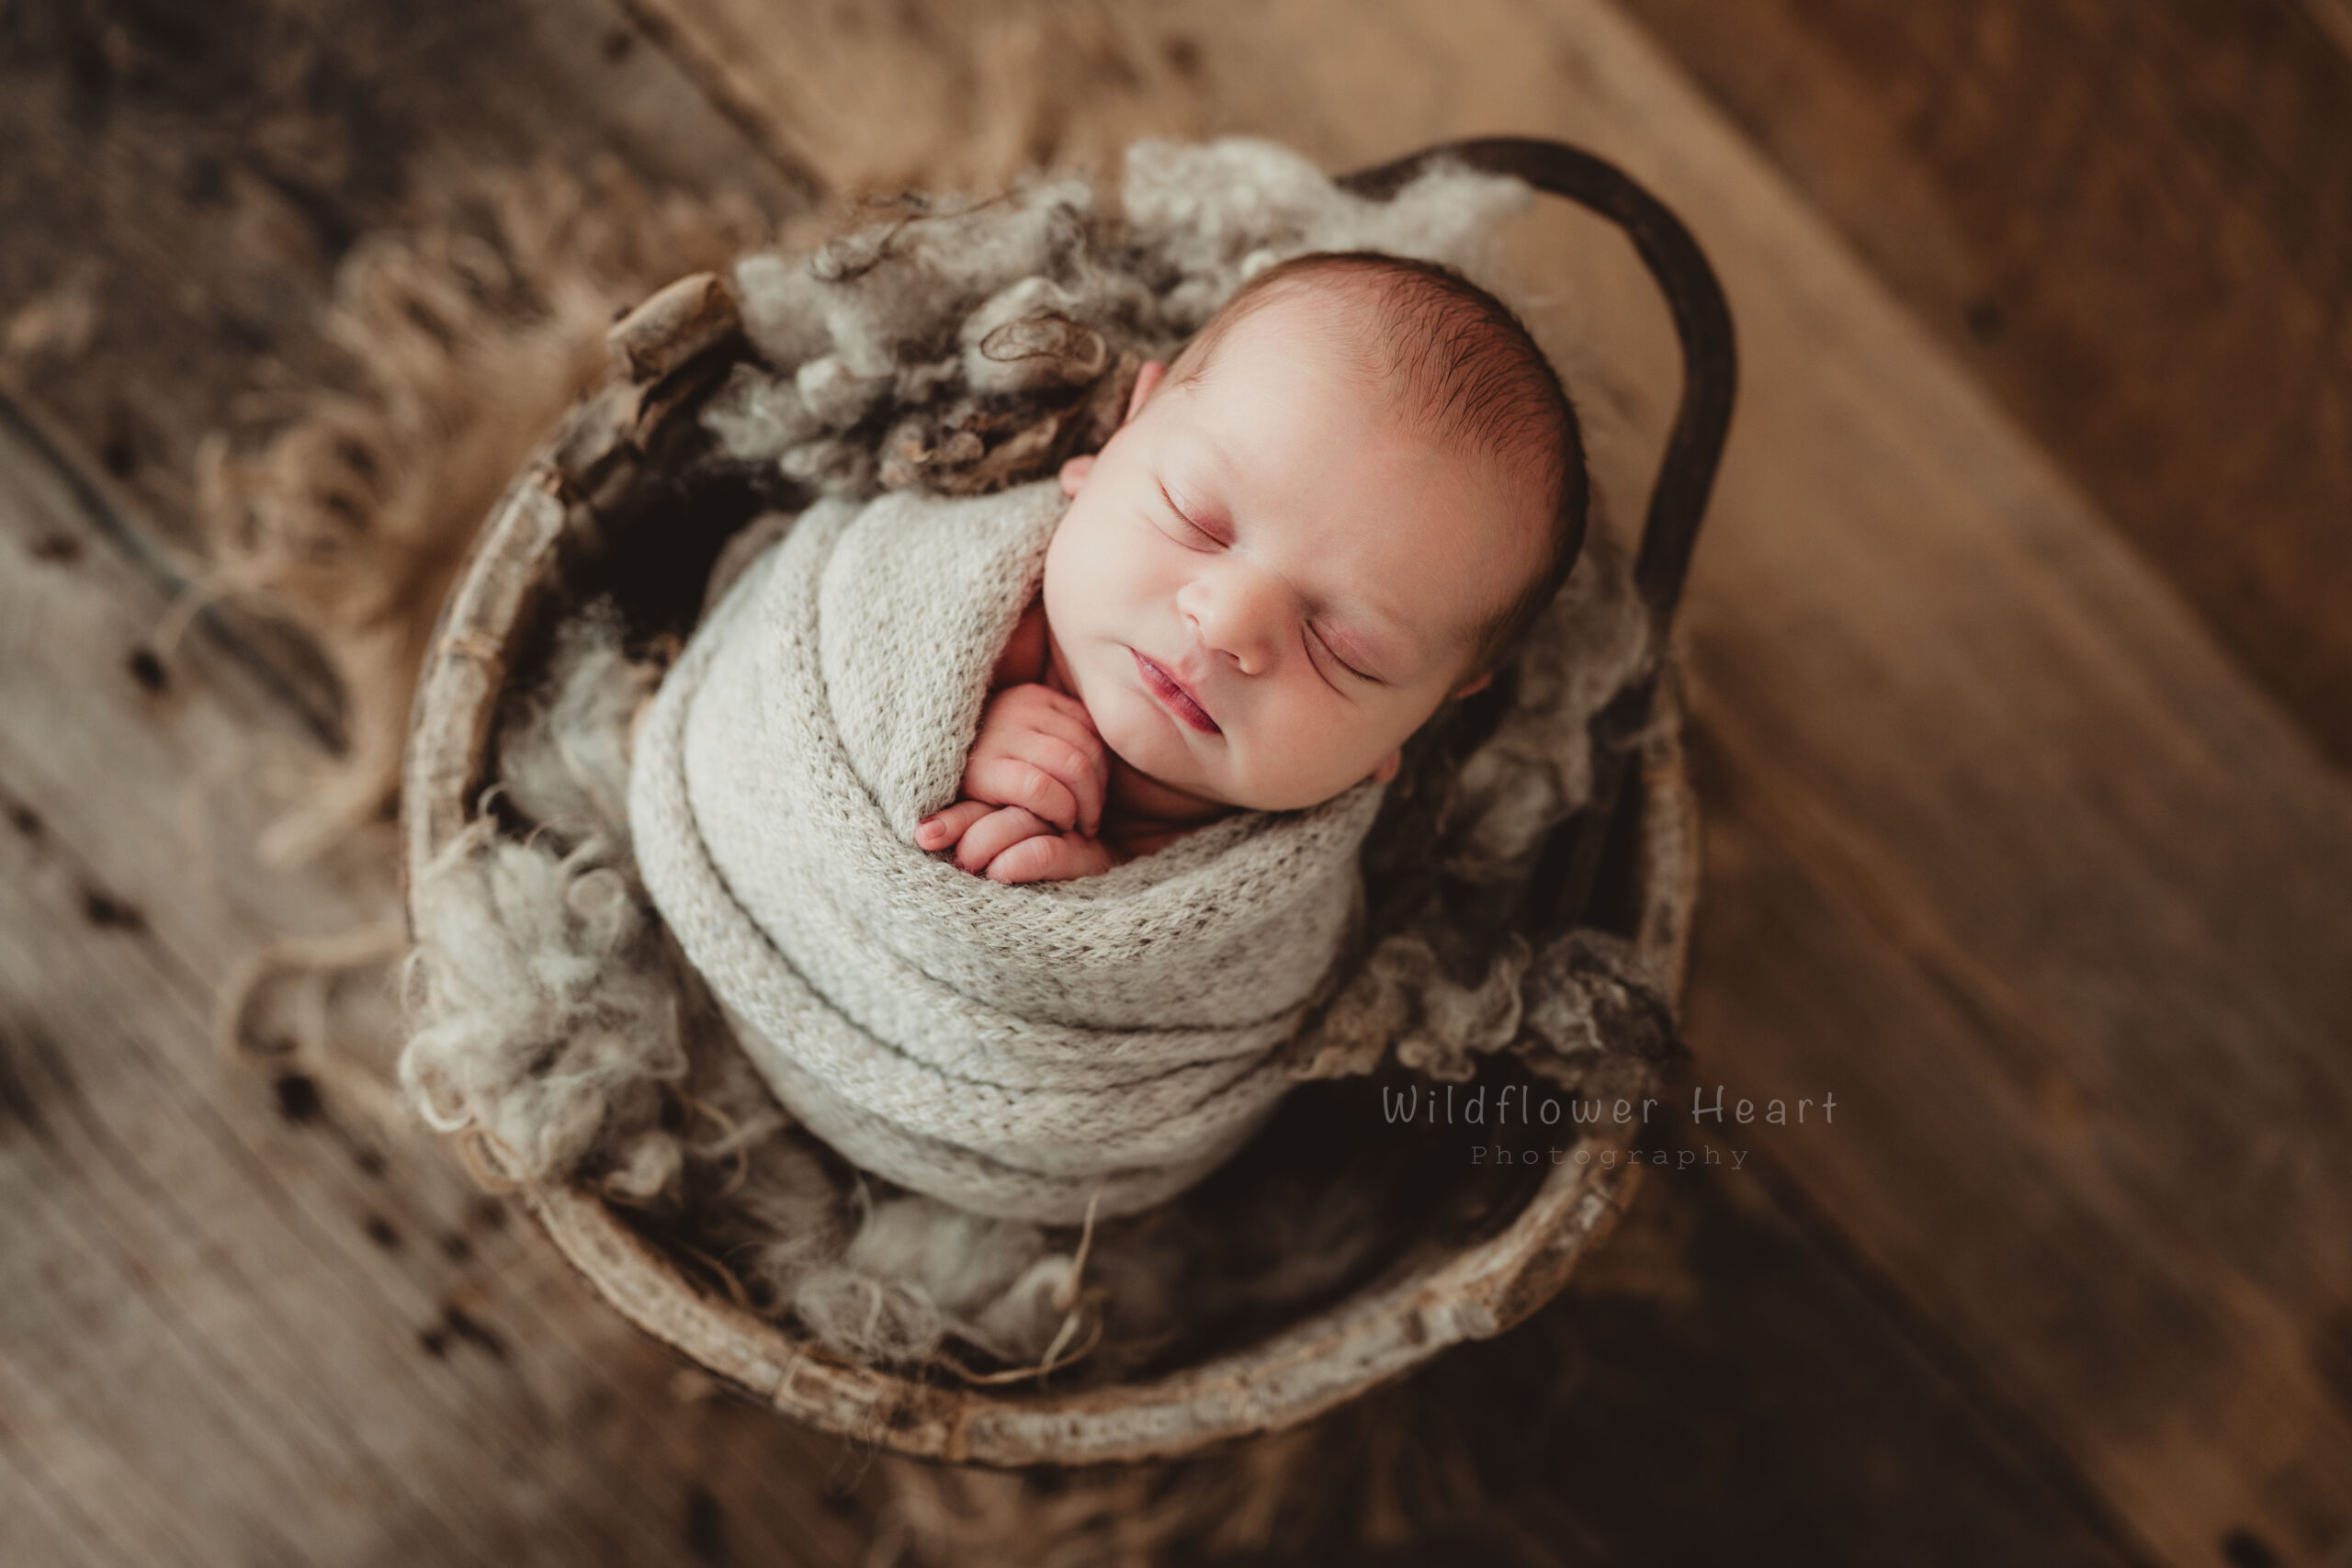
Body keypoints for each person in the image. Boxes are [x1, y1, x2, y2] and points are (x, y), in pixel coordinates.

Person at [914, 249, 1589, 882]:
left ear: (1421, 718)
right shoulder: (951, 595)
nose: (1226, 625)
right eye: (1196, 518)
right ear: (1125, 427)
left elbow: (1241, 993)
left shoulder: (1271, 886)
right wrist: (945, 730)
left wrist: (1093, 911)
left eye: (1343, 650)